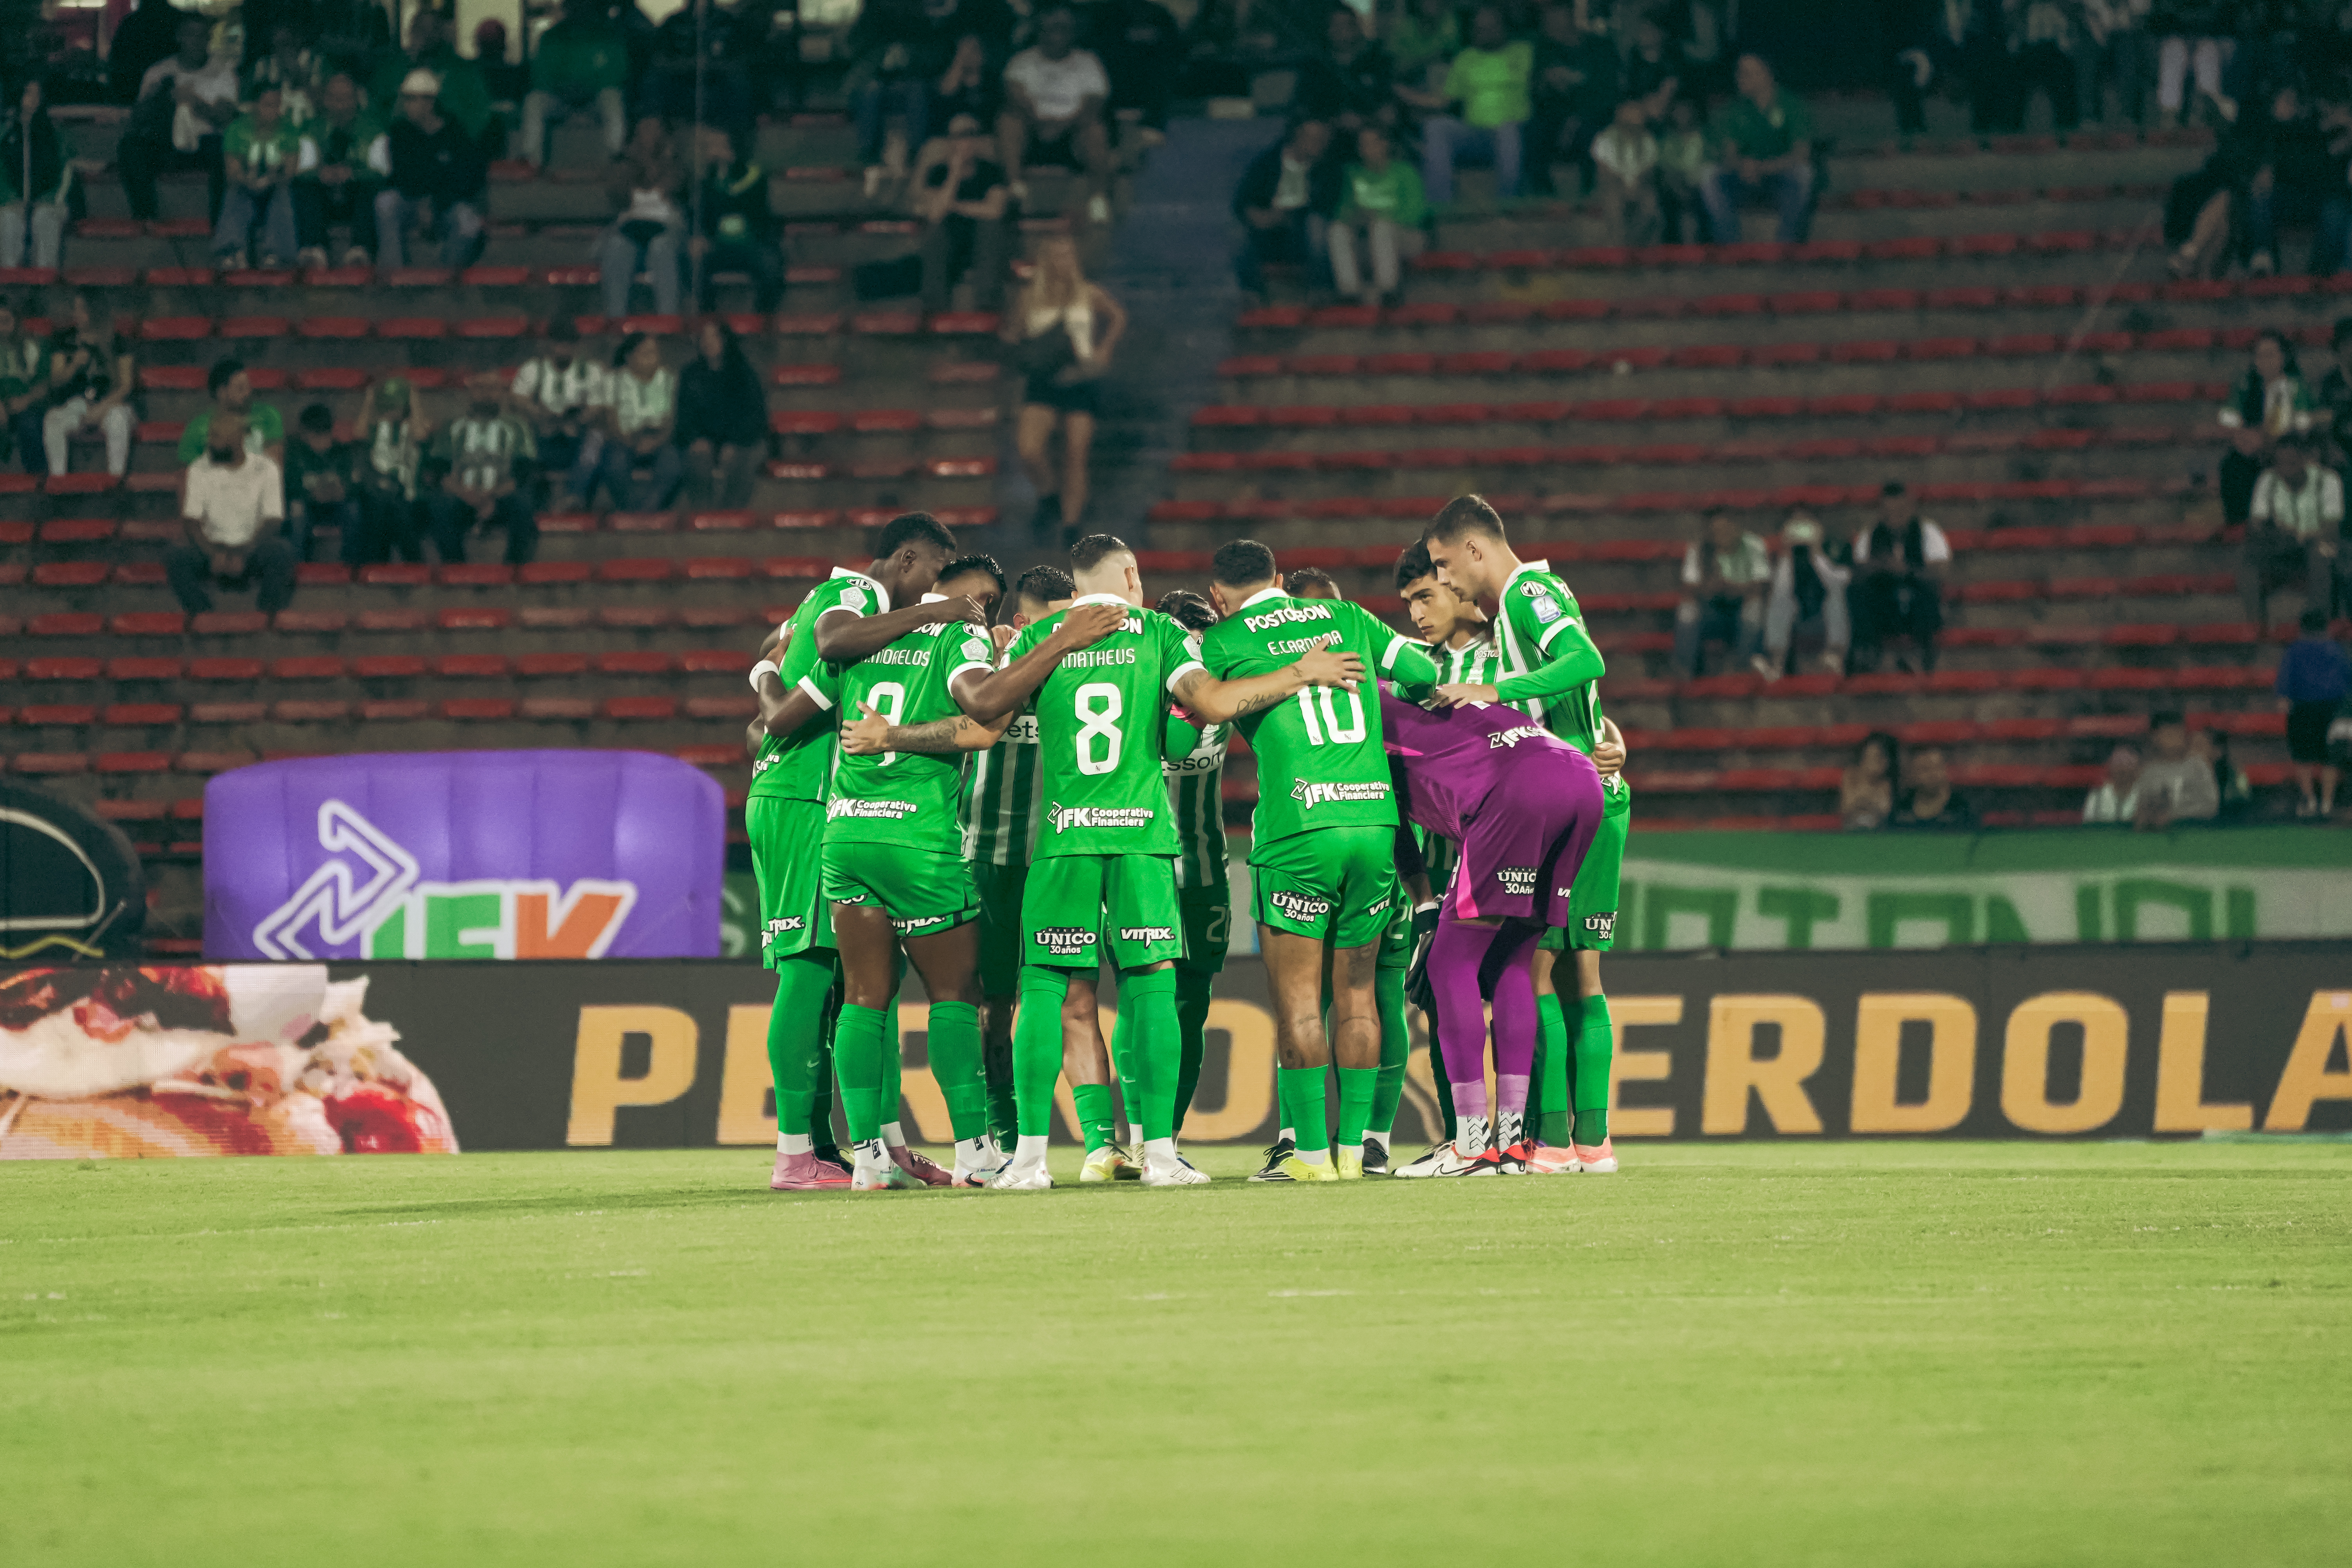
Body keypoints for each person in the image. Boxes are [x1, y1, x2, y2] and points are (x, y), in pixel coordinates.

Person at [955, 533, 1364, 1189]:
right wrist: (1299, 673)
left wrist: (1052, 640)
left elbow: (984, 711)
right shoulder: (1157, 633)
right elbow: (1211, 705)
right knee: (1152, 989)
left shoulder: (1042, 638)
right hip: (1144, 837)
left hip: (1066, 837)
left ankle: (1029, 1159)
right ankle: (1163, 1155)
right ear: (1129, 576)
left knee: (1045, 988)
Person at [748, 511, 977, 1189]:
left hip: (802, 798)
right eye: (933, 576)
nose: (933, 592)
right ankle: (797, 1154)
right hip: (807, 802)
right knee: (813, 971)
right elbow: (830, 642)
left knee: (862, 983)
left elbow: (774, 715)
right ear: (907, 561)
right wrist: (939, 613)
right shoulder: (859, 601)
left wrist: (764, 669)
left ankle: (879, 1143)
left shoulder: (844, 619)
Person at [1197, 541, 1437, 1182]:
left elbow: (1192, 721)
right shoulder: (1351, 618)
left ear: (1219, 597)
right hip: (1374, 823)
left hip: (1300, 828)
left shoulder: (1222, 640)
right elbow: (1421, 672)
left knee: (1301, 1002)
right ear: (1279, 578)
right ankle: (1357, 1151)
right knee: (1359, 994)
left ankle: (1307, 1156)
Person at [1422, 495, 1631, 1175]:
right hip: (1595, 792)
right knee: (1581, 973)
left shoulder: (1529, 592)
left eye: (1445, 565)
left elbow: (1585, 659)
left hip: (1561, 796)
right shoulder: (1526, 598)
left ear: (1476, 551)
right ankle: (1591, 1143)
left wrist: (1496, 689)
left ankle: (1545, 1141)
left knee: (1533, 966)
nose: (1446, 581)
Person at [824, 556, 1018, 1190]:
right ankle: (975, 1152)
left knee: (861, 996)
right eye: (988, 604)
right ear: (980, 599)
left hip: (848, 829)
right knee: (954, 993)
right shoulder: (962, 633)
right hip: (917, 839)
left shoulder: (872, 631)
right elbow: (980, 712)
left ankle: (870, 1162)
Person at [1383, 665, 1607, 1177]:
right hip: (1579, 780)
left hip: (1516, 792)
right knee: (1513, 958)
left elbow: (1389, 822)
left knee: (1447, 964)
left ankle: (1468, 1144)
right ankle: (1508, 1142)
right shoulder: (1412, 689)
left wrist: (1421, 899)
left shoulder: (1358, 716)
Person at [1154, 588, 1233, 1158]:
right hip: (1146, 867)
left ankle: (1168, 1137)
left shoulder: (1222, 693)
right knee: (1145, 998)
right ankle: (1129, 1137)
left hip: (1206, 869)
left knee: (1193, 1004)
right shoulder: (1136, 689)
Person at [1003, 232, 1124, 540]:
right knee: (1029, 449)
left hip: (1080, 376)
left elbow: (1118, 316)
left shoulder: (1088, 293)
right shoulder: (1030, 296)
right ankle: (1048, 493)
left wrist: (1104, 349)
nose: (1064, 262)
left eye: (1069, 255)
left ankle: (1072, 523)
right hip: (1043, 378)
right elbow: (1013, 335)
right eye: (1057, 256)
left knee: (1076, 451)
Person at [168, 411, 293, 616]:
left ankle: (265, 617)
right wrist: (214, 553)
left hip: (253, 546)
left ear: (239, 439)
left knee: (282, 552)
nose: (209, 442)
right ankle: (202, 616)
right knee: (176, 557)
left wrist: (244, 553)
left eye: (216, 437)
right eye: (210, 436)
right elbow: (191, 522)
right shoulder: (199, 469)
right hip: (212, 547)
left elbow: (273, 520)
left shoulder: (266, 468)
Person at [997, 6, 1114, 225]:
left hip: (1072, 136)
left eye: (1062, 29)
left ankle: (1098, 198)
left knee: (1096, 130)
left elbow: (1093, 106)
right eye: (1049, 29)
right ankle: (1015, 187)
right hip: (1033, 133)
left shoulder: (1088, 63)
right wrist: (1040, 122)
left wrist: (1063, 125)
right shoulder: (1022, 62)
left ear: (1072, 33)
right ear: (1039, 32)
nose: (1055, 35)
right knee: (1008, 121)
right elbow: (1015, 98)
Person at [1408, 6, 1532, 209]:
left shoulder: (1525, 52)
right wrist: (1402, 93)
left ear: (1503, 27)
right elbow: (1441, 102)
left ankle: (1507, 207)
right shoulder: (1466, 59)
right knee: (1436, 127)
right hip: (1474, 134)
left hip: (1514, 132)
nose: (1486, 33)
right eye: (1480, 29)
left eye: (1492, 27)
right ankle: (1441, 209)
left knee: (1507, 131)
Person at [120, 15, 235, 224]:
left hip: (206, 143)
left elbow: (227, 119)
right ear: (179, 37)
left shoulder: (223, 73)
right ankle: (146, 218)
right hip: (167, 142)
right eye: (190, 35)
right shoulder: (159, 72)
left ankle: (220, 224)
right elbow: (136, 122)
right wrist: (157, 99)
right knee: (131, 148)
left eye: (202, 36)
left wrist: (195, 103)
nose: (196, 41)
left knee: (226, 152)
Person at [375, 69, 488, 271]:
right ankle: (395, 275)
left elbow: (465, 178)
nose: (406, 105)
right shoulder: (400, 132)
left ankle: (445, 278)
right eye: (406, 99)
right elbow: (404, 176)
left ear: (429, 102)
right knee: (385, 203)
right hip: (411, 202)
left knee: (468, 224)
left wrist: (434, 202)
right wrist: (423, 200)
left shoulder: (455, 133)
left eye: (412, 99)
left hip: (446, 204)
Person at [1702, 53, 1816, 245]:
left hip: (1779, 177)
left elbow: (1801, 154)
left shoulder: (1792, 105)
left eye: (1746, 73)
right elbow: (1729, 155)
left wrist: (1762, 168)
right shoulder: (1735, 109)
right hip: (1744, 178)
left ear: (1766, 75)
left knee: (1804, 174)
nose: (1740, 78)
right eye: (1739, 73)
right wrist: (1744, 166)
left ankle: (1786, 247)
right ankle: (1730, 247)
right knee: (1708, 175)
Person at [428, 372, 538, 565]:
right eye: (480, 388)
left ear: (501, 392)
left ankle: (513, 571)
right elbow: (438, 472)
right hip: (462, 497)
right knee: (440, 506)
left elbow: (524, 473)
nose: (486, 393)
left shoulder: (517, 426)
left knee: (524, 505)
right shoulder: (452, 427)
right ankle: (456, 569)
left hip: (502, 496)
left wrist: (492, 496)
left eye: (492, 388)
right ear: (469, 392)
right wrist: (467, 495)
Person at [1232, 116, 1339, 302]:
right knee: (1238, 233)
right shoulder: (1268, 164)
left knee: (1317, 227)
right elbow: (1242, 201)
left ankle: (1320, 290)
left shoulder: (1327, 170)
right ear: (1298, 138)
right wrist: (1260, 216)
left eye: (1322, 140)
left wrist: (1290, 214)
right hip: (1270, 229)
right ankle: (1251, 293)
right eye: (1313, 139)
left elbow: (1327, 205)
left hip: (1302, 229)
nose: (1319, 145)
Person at [911, 112, 1010, 314]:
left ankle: (987, 307)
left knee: (990, 228)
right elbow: (936, 214)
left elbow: (995, 211)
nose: (967, 142)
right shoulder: (938, 172)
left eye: (972, 135)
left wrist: (954, 205)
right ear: (950, 142)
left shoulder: (992, 171)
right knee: (935, 231)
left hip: (983, 242)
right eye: (961, 136)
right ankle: (934, 309)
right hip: (949, 240)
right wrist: (954, 174)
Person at [2243, 432, 2344, 626]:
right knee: (2248, 555)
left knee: (2323, 552)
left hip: (2317, 544)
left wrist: (2306, 536)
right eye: (2280, 464)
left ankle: (2317, 621)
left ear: (2304, 460)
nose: (2285, 470)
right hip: (2283, 544)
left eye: (2291, 464)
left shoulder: (2328, 480)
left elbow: (2332, 527)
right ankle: (2255, 624)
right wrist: (2278, 532)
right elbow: (2256, 523)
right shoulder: (2268, 480)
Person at [2220, 330, 2319, 527]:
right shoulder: (2246, 384)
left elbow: (2302, 424)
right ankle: (2239, 524)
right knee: (2233, 466)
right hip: (2253, 446)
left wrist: (2269, 439)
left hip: (2286, 446)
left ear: (2284, 358)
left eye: (2271, 355)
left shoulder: (2295, 387)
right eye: (2260, 356)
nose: (2264, 361)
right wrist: (2244, 437)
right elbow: (2230, 417)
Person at [1850, 481, 1950, 673]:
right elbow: (1858, 572)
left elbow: (1941, 571)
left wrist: (1907, 571)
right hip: (1884, 601)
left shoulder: (1928, 532)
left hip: (1917, 599)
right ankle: (1868, 658)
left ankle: (1924, 657)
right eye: (1888, 512)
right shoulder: (1870, 535)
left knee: (1929, 594)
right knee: (1858, 595)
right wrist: (1881, 567)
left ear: (1910, 508)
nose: (1893, 518)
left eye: (1899, 511)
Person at [510, 319, 608, 510]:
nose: (564, 349)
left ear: (577, 345)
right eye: (559, 343)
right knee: (519, 438)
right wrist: (537, 412)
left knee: (596, 440)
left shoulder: (590, 371)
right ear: (549, 344)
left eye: (569, 343)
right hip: (543, 436)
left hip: (575, 437)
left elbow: (597, 406)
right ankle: (529, 502)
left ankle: (573, 498)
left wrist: (577, 420)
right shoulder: (534, 369)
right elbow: (517, 398)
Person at [292, 73, 387, 269]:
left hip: (357, 201)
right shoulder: (312, 129)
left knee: (370, 187)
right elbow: (302, 170)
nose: (341, 105)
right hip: (324, 198)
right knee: (305, 188)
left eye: (346, 99)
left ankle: (360, 251)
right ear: (326, 101)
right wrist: (321, 174)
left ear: (356, 100)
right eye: (335, 99)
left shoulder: (373, 130)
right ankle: (315, 250)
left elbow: (383, 171)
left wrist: (352, 174)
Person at [521, 0, 630, 168]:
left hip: (595, 101)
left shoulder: (609, 36)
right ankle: (531, 162)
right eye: (575, 5)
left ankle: (615, 158)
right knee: (534, 101)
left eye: (585, 5)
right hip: (560, 101)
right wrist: (565, 89)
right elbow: (540, 78)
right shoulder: (551, 37)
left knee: (613, 97)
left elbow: (617, 75)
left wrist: (587, 88)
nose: (580, 10)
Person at [1327, 122, 1425, 307]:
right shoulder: (1352, 174)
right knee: (1337, 230)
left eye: (1373, 143)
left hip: (1404, 236)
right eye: (1363, 145)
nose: (1367, 150)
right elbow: (1342, 211)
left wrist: (1380, 217)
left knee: (1381, 227)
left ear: (1385, 144)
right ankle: (1349, 291)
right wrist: (1356, 218)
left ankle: (1389, 290)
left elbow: (1415, 213)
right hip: (1365, 238)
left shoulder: (1405, 172)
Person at [1526, 1, 1616, 199]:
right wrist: (1546, 83)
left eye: (1553, 16)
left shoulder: (1600, 48)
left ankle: (1590, 195)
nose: (1548, 23)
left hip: (1592, 118)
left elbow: (1607, 94)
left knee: (1590, 134)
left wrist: (1575, 86)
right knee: (1534, 132)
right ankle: (1543, 196)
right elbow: (1537, 97)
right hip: (1555, 119)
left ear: (1568, 17)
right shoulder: (1544, 50)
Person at [597, 117, 684, 321]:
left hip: (667, 227)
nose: (650, 136)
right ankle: (616, 320)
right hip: (631, 227)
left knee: (661, 247)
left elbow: (678, 186)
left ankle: (667, 319)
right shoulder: (623, 164)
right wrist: (638, 161)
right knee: (617, 246)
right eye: (645, 130)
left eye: (655, 130)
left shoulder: (676, 164)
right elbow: (619, 194)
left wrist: (663, 160)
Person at [676, 318, 768, 510]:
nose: (708, 342)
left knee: (746, 457)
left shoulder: (744, 374)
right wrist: (696, 439)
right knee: (696, 457)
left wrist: (735, 442)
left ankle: (732, 513)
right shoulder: (690, 374)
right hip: (703, 440)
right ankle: (703, 513)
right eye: (704, 338)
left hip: (741, 440)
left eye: (714, 337)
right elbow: (683, 415)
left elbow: (755, 416)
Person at [41, 292, 136, 478]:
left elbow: (126, 385)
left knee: (119, 420)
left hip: (110, 406)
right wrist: (75, 365)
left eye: (82, 310)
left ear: (96, 312)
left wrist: (101, 409)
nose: (76, 314)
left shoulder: (117, 342)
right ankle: (59, 482)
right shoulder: (65, 340)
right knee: (52, 419)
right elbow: (55, 381)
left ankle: (115, 481)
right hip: (76, 406)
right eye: (75, 309)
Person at [689, 126, 782, 313]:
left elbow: (758, 213)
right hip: (717, 246)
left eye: (716, 146)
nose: (710, 151)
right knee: (695, 264)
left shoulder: (754, 176)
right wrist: (700, 237)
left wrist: (729, 171)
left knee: (770, 265)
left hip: (751, 244)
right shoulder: (706, 182)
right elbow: (701, 216)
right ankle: (709, 321)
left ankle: (763, 320)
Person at [213, 84, 302, 269]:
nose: (272, 111)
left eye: (276, 106)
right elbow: (233, 172)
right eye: (267, 105)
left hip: (275, 188)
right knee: (235, 193)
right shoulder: (236, 130)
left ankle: (277, 255)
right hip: (246, 186)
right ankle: (230, 252)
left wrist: (269, 180)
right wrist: (250, 181)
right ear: (255, 106)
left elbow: (289, 173)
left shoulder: (290, 131)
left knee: (282, 194)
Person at [1675, 506, 1770, 677]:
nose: (1721, 535)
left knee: (1754, 609)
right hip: (1712, 610)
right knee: (1687, 611)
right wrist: (1710, 588)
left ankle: (1746, 668)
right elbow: (1688, 587)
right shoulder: (1699, 550)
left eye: (1726, 529)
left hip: (1741, 607)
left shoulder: (1753, 545)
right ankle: (1685, 671)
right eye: (1716, 531)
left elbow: (1761, 586)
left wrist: (1734, 588)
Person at [595, 331, 680, 512]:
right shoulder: (613, 381)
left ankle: (650, 507)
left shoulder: (669, 380)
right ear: (629, 357)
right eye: (645, 354)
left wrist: (656, 442)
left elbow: (673, 420)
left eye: (655, 354)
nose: (652, 359)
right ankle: (630, 510)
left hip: (659, 438)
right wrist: (631, 442)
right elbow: (611, 422)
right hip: (624, 439)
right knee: (615, 465)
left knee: (672, 464)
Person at [1761, 511, 1851, 678]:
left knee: (1836, 597)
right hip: (1798, 619)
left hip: (1823, 618)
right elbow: (1779, 591)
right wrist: (1789, 556)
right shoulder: (1784, 564)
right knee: (1780, 599)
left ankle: (1836, 655)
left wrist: (1816, 555)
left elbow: (1842, 580)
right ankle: (1777, 660)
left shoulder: (1834, 547)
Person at [2278, 609, 2349, 817]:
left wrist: (2284, 700)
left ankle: (2310, 801)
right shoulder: (2336, 651)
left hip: (2303, 709)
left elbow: (2284, 684)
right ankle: (2327, 804)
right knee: (2331, 758)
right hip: (2333, 709)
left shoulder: (2294, 651)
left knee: (2303, 757)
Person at [350, 376, 427, 563]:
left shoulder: (412, 429)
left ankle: (413, 566)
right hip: (377, 497)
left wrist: (414, 400)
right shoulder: (376, 429)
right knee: (381, 508)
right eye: (387, 407)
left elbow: (421, 435)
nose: (391, 411)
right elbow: (358, 434)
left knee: (397, 512)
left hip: (409, 498)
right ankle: (379, 565)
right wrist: (369, 402)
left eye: (395, 406)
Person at [0, 79, 70, 270]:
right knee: (9, 220)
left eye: (37, 94)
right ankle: (11, 283)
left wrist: (50, 198)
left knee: (44, 218)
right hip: (11, 203)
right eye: (28, 93)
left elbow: (66, 170)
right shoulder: (6, 134)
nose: (33, 99)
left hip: (50, 202)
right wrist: (10, 199)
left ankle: (45, 280)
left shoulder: (54, 133)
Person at [1296, 5, 1398, 135]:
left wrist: (1366, 120)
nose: (1342, 31)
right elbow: (1305, 108)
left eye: (1347, 25)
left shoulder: (1378, 62)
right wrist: (1337, 121)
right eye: (1336, 26)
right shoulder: (1316, 67)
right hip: (1328, 137)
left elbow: (1389, 106)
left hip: (1373, 134)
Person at [282, 402, 359, 563]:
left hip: (336, 507)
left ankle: (352, 566)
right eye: (314, 436)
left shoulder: (341, 452)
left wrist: (342, 491)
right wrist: (311, 495)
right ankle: (298, 566)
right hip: (307, 507)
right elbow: (289, 486)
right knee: (297, 511)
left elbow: (353, 486)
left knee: (354, 510)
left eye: (324, 435)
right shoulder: (294, 453)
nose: (320, 442)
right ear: (304, 434)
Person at [176, 357, 284, 467]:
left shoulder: (268, 415)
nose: (248, 393)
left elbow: (274, 466)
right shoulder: (198, 428)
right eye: (240, 389)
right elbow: (187, 472)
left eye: (248, 387)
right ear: (222, 392)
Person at [2131, 712, 2220, 828]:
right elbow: (2141, 807)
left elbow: (2211, 806)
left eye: (2178, 733)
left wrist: (2174, 816)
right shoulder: (2149, 772)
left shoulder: (2198, 767)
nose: (2174, 739)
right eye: (2169, 734)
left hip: (2195, 831)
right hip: (2158, 834)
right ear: (2155, 737)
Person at [1656, 91, 1710, 242]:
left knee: (1706, 199)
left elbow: (1710, 166)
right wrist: (1679, 188)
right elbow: (1665, 169)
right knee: (1667, 199)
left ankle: (1706, 247)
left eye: (1686, 111)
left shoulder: (1705, 137)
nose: (1683, 115)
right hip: (1674, 186)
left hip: (1700, 186)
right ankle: (1672, 247)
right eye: (1678, 112)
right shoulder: (1666, 140)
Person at [0, 300, 46, 473]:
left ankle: (37, 478)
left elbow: (44, 385)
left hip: (28, 407)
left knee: (29, 423)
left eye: (5, 321)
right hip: (3, 407)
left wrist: (26, 400)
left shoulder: (34, 345)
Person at [1889, 746, 1977, 830]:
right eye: (1925, 770)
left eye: (1937, 767)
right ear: (1912, 774)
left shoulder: (1962, 807)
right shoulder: (1901, 809)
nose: (1933, 775)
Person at [1842, 732, 1898, 830]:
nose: (1875, 763)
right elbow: (1847, 807)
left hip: (1880, 834)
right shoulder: (1851, 776)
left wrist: (1863, 800)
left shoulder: (1887, 783)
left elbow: (1885, 810)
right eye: (1871, 757)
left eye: (1880, 758)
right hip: (1851, 832)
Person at [2082, 744, 2142, 823]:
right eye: (2119, 763)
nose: (2123, 769)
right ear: (2110, 766)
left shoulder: (2144, 796)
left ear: (2138, 768)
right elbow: (2087, 824)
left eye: (2129, 764)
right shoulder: (2097, 795)